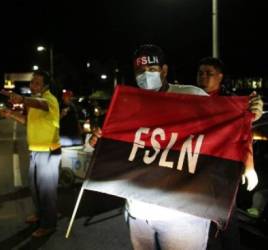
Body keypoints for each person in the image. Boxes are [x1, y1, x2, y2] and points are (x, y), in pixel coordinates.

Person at [87, 45, 264, 250]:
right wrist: (95, 141)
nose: (146, 75)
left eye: (152, 70)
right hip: (138, 212)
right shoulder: (128, 103)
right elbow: (108, 142)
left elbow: (227, 125)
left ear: (164, 71)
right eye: (140, 71)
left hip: (182, 217)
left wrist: (249, 113)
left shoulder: (191, 96)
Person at [196, 57, 264, 250]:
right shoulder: (190, 99)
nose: (203, 77)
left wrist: (249, 167)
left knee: (227, 221)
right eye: (200, 73)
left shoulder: (230, 102)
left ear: (220, 76)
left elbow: (244, 135)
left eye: (209, 73)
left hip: (223, 172)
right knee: (206, 225)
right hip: (197, 171)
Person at [0, 70, 61, 238]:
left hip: (49, 151)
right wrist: (11, 114)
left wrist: (22, 99)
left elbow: (42, 104)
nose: (32, 85)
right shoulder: (34, 103)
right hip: (35, 150)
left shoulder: (50, 100)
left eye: (37, 83)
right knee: (34, 188)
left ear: (45, 86)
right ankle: (42, 214)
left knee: (46, 190)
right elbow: (28, 121)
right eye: (32, 82)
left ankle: (49, 224)